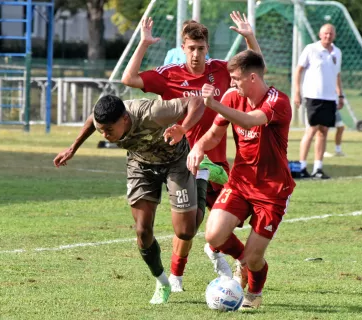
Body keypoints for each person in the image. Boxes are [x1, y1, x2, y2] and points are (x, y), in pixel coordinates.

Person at [121, 11, 265, 292]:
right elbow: (129, 78)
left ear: (207, 48)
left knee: (233, 221)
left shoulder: (221, 70)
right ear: (182, 48)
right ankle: (176, 275)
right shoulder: (169, 75)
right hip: (185, 160)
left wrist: (249, 36)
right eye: (191, 49)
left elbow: (255, 71)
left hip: (218, 160)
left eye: (201, 49)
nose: (196, 54)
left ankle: (216, 250)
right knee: (191, 222)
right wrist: (144, 43)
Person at [53, 95, 206, 304]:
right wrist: (73, 148)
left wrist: (183, 128)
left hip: (176, 162)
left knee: (185, 232)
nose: (105, 135)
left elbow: (196, 102)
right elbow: (92, 118)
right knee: (142, 231)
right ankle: (162, 281)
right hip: (140, 165)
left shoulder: (153, 112)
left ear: (125, 119)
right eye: (101, 130)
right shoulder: (105, 120)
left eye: (109, 130)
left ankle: (203, 177)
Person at [186, 50, 295, 309]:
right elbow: (214, 134)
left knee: (256, 256)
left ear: (253, 78)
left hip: (272, 191)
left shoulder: (278, 102)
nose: (232, 83)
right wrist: (199, 147)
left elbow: (250, 120)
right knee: (214, 235)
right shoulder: (233, 97)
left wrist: (214, 105)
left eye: (235, 79)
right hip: (240, 183)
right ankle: (243, 263)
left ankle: (254, 293)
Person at [293, 23, 345, 179]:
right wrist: (297, 91)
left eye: (330, 33)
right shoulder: (311, 49)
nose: (328, 36)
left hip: (329, 98)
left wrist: (340, 95)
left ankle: (318, 168)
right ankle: (302, 166)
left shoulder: (337, 52)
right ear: (320, 34)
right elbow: (299, 70)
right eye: (325, 33)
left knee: (324, 131)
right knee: (311, 130)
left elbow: (337, 75)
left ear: (334, 35)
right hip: (313, 96)